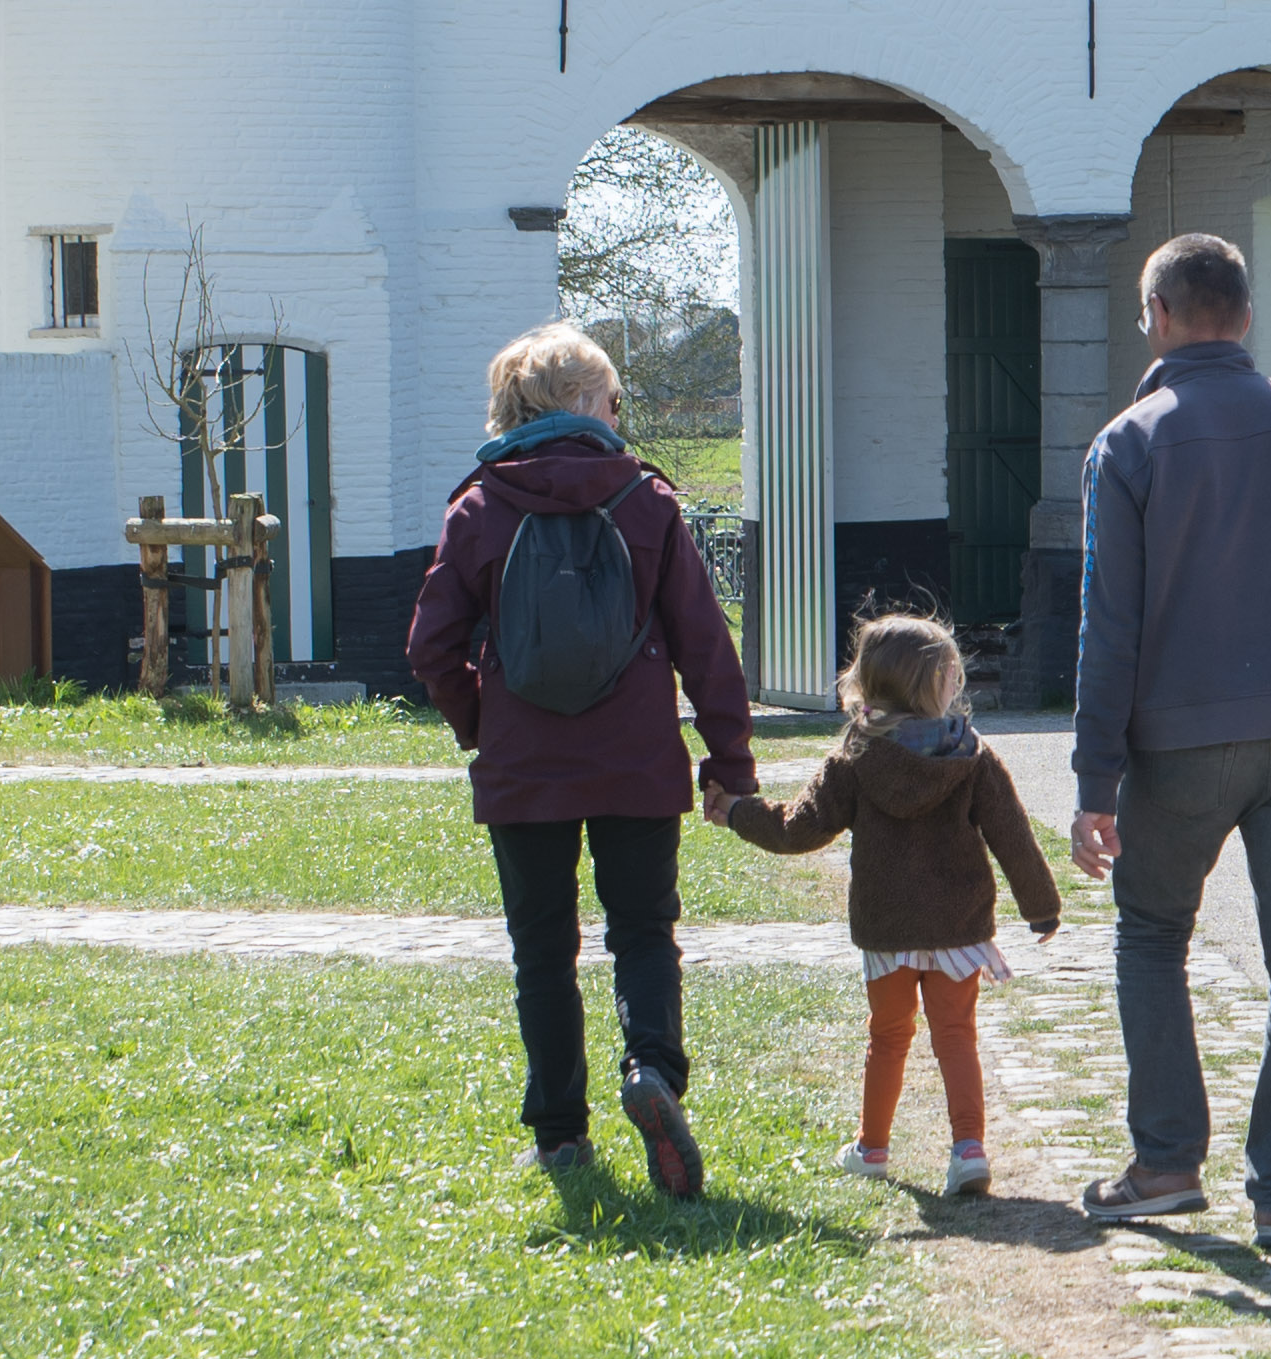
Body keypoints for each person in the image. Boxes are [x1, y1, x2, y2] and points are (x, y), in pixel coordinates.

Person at [1067, 234, 1271, 1252]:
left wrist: (1095, 780)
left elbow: (1108, 626)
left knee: (1151, 934)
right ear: (1247, 316)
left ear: (1157, 316)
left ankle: (1169, 1161)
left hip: (1179, 739)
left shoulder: (1127, 443)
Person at [408, 319, 760, 1224]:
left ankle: (561, 1133)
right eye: (611, 397)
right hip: (637, 762)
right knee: (643, 932)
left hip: (524, 770)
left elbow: (430, 647)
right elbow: (706, 647)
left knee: (542, 951)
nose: (617, 412)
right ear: (577, 401)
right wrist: (729, 763)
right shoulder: (646, 501)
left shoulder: (479, 507)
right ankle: (652, 1071)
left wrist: (484, 725)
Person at [720, 610, 1057, 1203]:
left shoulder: (855, 759)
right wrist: (1041, 906)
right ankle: (969, 1149)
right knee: (956, 1035)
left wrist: (737, 812)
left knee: (888, 1036)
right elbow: (1012, 835)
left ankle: (872, 1149)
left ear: (868, 683)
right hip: (957, 927)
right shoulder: (972, 756)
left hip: (886, 925)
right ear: (942, 683)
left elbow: (799, 828)